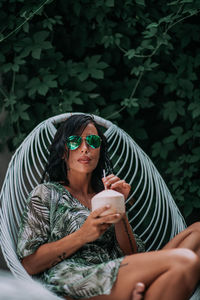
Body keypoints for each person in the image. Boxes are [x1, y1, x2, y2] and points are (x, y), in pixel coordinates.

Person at [17, 114, 200, 300]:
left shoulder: (105, 195)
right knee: (185, 261)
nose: (85, 148)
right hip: (77, 277)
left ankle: (142, 293)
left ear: (100, 149)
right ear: (63, 152)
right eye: (74, 142)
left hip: (118, 269)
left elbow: (131, 254)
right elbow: (29, 264)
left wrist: (121, 210)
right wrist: (82, 235)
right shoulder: (46, 193)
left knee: (198, 232)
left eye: (93, 141)